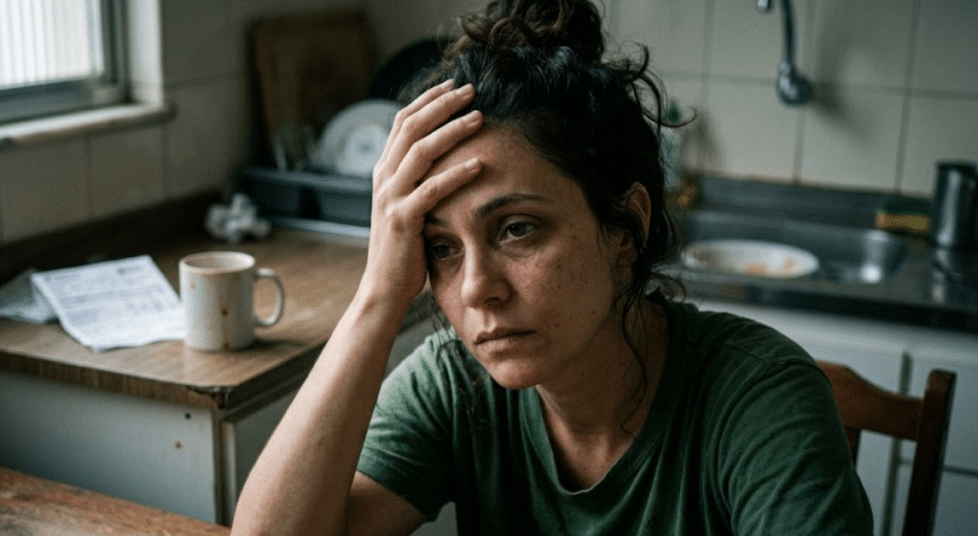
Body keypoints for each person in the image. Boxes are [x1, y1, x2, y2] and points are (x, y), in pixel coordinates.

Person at [231, 0, 873, 534]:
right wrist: (377, 295)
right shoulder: (458, 389)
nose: (478, 290)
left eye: (517, 229)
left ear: (626, 227)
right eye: (442, 248)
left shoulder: (757, 400)